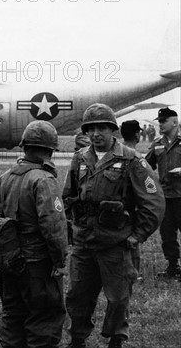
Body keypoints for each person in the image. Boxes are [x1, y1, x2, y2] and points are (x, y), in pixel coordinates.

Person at [63, 103, 164, 348]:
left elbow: (154, 202)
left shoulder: (131, 160)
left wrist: (137, 236)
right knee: (77, 295)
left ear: (112, 130)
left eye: (101, 128)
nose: (96, 134)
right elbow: (68, 195)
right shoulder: (80, 158)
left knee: (118, 298)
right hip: (84, 243)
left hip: (117, 244)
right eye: (91, 129)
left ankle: (116, 340)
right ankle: (77, 339)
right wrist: (70, 229)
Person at [0, 120, 68, 348]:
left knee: (13, 317)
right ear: (49, 150)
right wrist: (59, 260)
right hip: (38, 265)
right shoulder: (44, 179)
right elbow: (53, 226)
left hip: (10, 261)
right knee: (44, 320)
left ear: (24, 147)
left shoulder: (5, 177)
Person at [145, 107, 181, 278]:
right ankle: (173, 266)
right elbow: (146, 166)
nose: (160, 124)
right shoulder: (157, 144)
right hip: (165, 197)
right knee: (167, 234)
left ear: (174, 122)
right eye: (159, 121)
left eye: (163, 121)